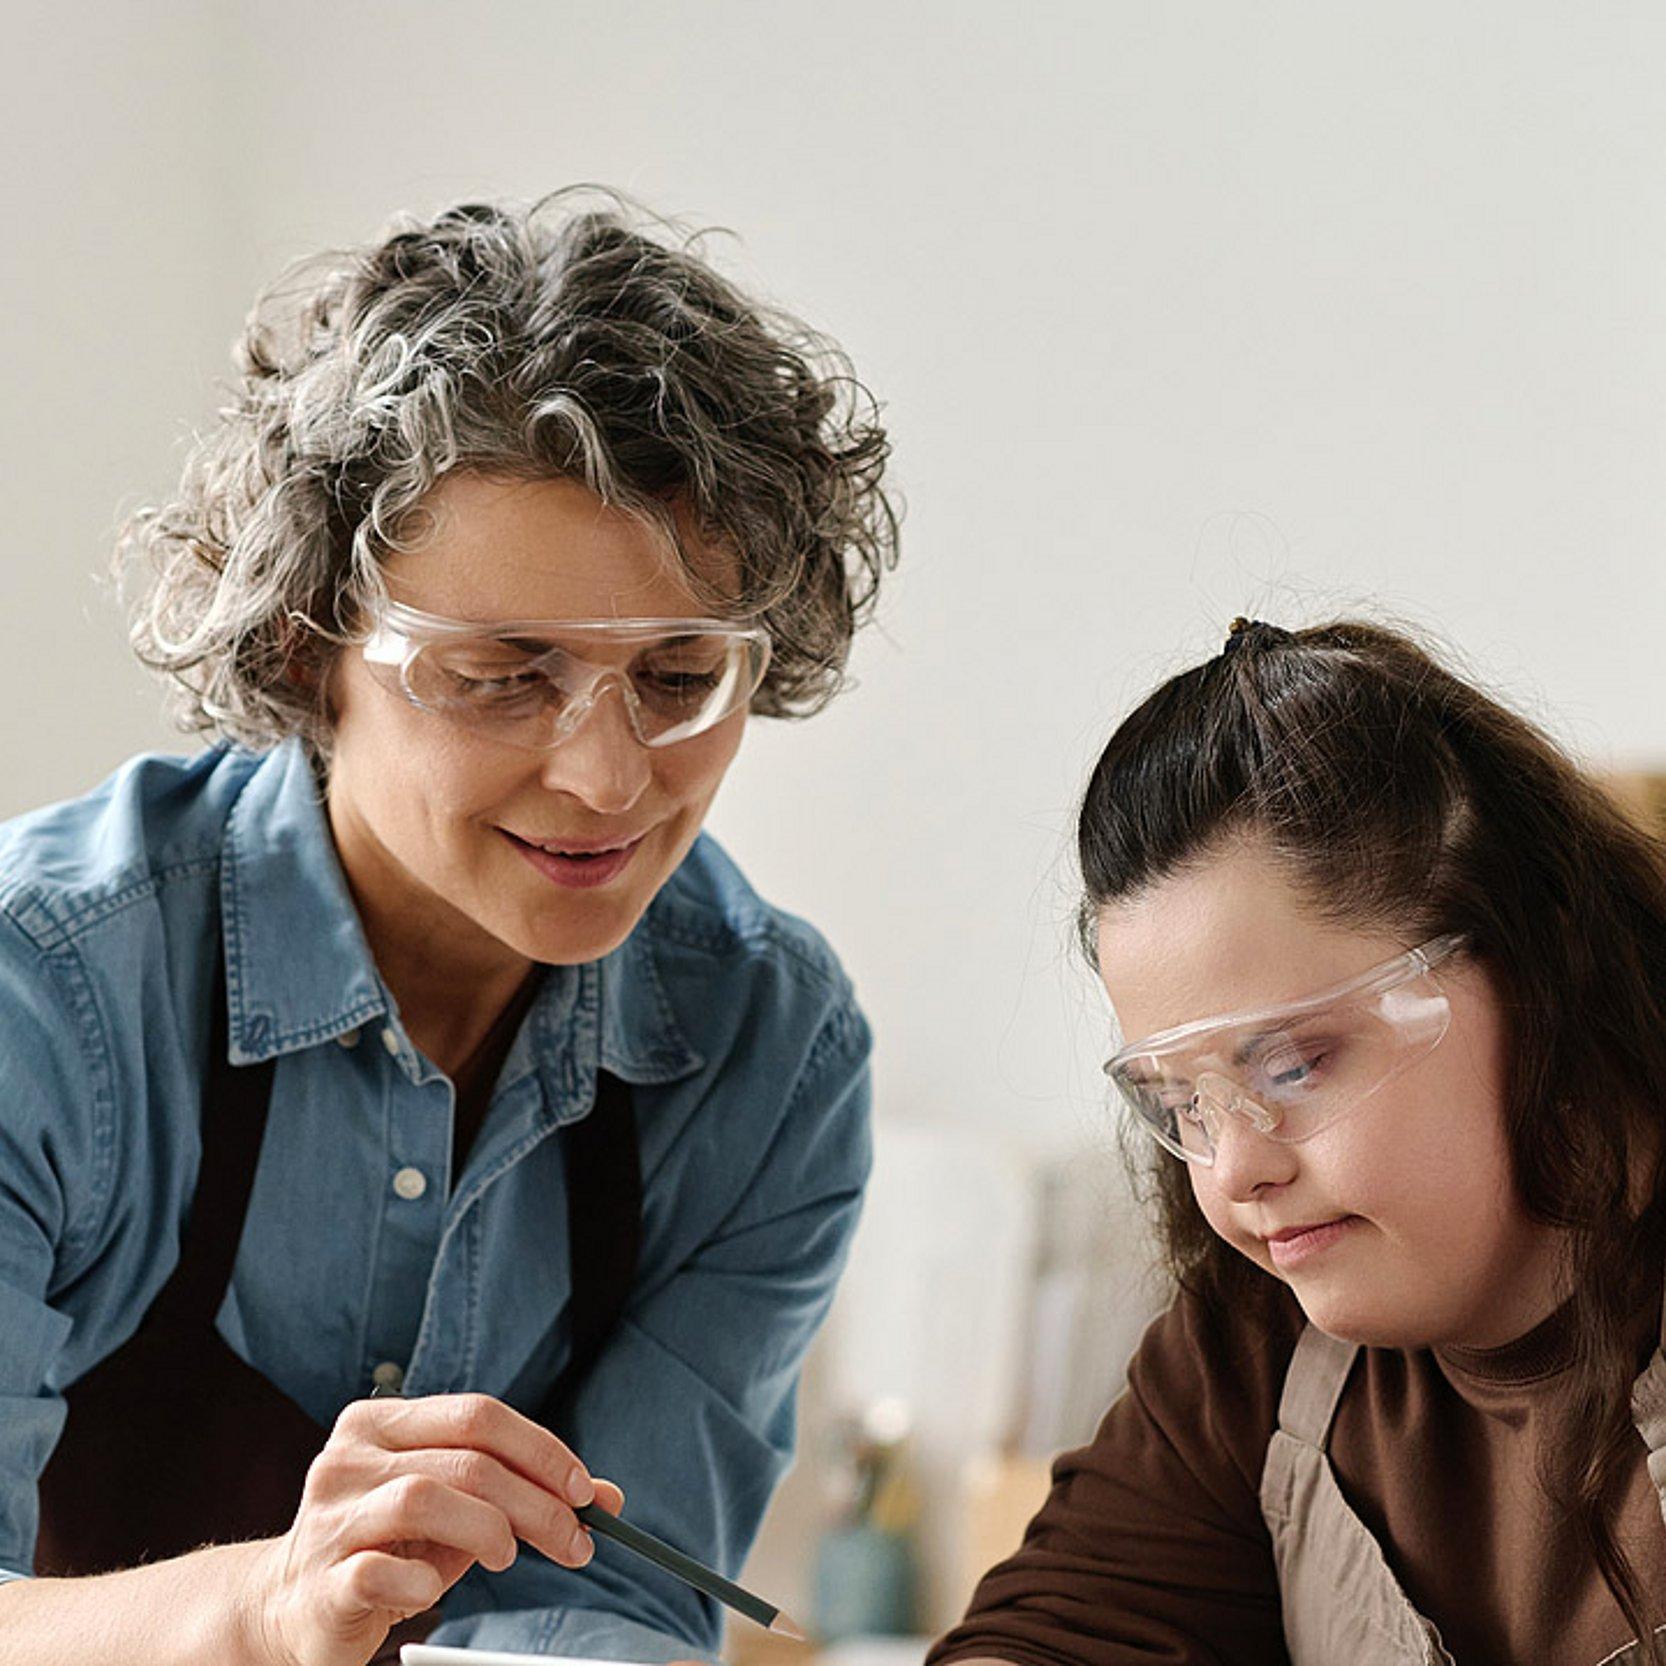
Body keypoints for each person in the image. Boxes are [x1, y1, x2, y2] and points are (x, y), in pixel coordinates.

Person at [0, 191, 897, 1666]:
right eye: (498, 676)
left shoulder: (770, 1051)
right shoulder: (45, 990)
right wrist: (269, 1610)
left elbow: (620, 1611)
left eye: (678, 676)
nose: (607, 779)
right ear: (305, 642)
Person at [928, 618, 1666, 1666]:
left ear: (1535, 973)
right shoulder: (1259, 1343)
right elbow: (1064, 1626)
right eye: (1183, 1102)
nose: (1235, 1170)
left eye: (1294, 1066)